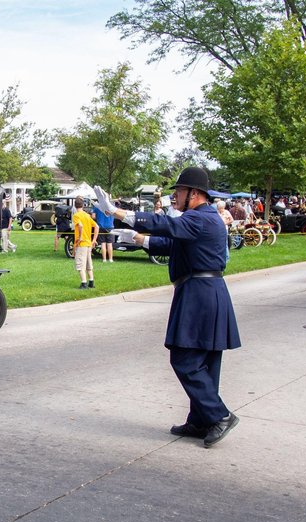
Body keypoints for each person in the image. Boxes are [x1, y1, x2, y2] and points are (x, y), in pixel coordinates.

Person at [94, 167, 241, 448]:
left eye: (180, 191)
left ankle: (219, 415)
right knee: (205, 361)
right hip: (205, 292)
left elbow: (167, 226)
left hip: (200, 293)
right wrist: (136, 239)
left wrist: (118, 211)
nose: (175, 196)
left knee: (184, 358)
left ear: (194, 194)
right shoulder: (201, 218)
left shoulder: (200, 218)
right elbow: (171, 243)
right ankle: (201, 420)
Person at [72, 197, 98, 289]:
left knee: (80, 264)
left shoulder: (76, 215)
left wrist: (79, 237)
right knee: (88, 263)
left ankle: (84, 283)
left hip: (82, 243)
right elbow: (97, 226)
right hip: (88, 243)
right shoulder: (87, 215)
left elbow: (80, 226)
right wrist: (94, 239)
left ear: (75, 206)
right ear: (83, 205)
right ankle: (91, 281)